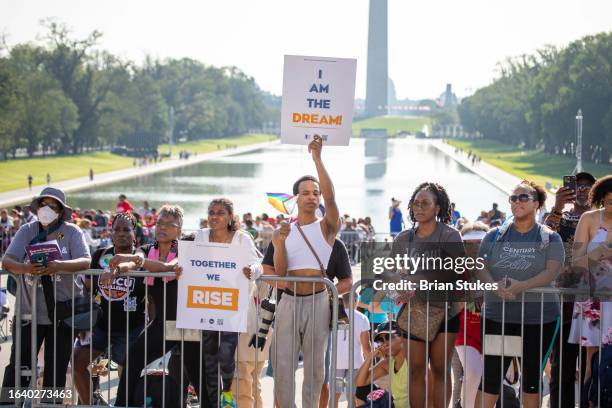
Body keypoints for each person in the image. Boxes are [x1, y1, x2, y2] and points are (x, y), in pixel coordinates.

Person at [475, 180, 564, 408]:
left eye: (523, 197)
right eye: (513, 198)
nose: (516, 202)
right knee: (492, 378)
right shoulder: (494, 236)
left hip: (538, 319)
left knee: (531, 380)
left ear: (536, 203)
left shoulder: (549, 238)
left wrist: (520, 286)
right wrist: (495, 286)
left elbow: (551, 272)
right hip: (499, 317)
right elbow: (479, 266)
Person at [0, 187, 91, 404]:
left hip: (62, 313)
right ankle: (9, 403)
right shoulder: (27, 230)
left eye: (53, 205)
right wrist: (26, 268)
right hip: (29, 311)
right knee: (19, 365)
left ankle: (51, 404)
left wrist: (59, 265)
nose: (47, 209)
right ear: (37, 207)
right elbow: (8, 260)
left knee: (56, 368)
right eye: (44, 204)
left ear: (61, 210)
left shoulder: (71, 232)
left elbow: (85, 261)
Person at [269, 135, 341, 408]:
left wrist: (318, 159)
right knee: (283, 367)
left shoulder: (327, 226)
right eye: (306, 192)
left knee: (314, 369)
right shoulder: (285, 230)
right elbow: (280, 272)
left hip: (318, 300)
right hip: (288, 301)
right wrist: (277, 243)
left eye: (316, 192)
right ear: (296, 198)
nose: (312, 196)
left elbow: (332, 197)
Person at [390, 181, 465, 408]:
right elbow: (392, 273)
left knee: (440, 370)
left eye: (425, 203)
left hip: (445, 312)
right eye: (415, 203)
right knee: (415, 371)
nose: (419, 207)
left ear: (438, 208)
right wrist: (399, 284)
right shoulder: (403, 239)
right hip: (414, 312)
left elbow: (457, 273)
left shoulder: (451, 236)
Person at [194, 198, 263, 407]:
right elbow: (192, 261)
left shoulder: (242, 239)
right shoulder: (201, 235)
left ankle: (226, 392)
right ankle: (214, 401)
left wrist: (252, 271)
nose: (215, 216)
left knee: (225, 353)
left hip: (232, 305)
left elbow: (256, 263)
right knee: (209, 354)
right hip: (207, 302)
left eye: (220, 213)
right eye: (212, 212)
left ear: (230, 217)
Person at [113, 205, 184, 406]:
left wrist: (132, 260)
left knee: (193, 372)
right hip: (162, 324)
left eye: (170, 224)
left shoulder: (184, 249)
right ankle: (123, 404)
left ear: (179, 230)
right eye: (160, 223)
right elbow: (135, 263)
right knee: (134, 358)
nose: (162, 227)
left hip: (187, 324)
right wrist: (118, 268)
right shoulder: (146, 250)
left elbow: (168, 268)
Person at [73, 213, 146, 404]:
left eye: (126, 229)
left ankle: (125, 403)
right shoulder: (99, 254)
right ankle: (91, 403)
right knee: (78, 361)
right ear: (111, 233)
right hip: (101, 326)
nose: (121, 233)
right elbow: (87, 290)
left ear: (134, 234)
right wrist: (83, 322)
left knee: (128, 371)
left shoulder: (141, 256)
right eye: (117, 229)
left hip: (131, 328)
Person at [545, 171, 595, 408]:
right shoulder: (560, 218)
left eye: (588, 186)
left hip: (595, 305)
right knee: (562, 369)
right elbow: (542, 240)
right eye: (578, 186)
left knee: (592, 368)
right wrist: (557, 206)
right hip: (565, 305)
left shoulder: (603, 219)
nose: (583, 190)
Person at [568, 175, 612, 397]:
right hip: (593, 296)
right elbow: (576, 262)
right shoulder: (589, 218)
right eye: (610, 200)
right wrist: (599, 253)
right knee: (592, 360)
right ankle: (588, 401)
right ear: (602, 198)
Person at [453, 222, 489, 408]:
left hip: (492, 329)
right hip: (465, 331)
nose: (474, 248)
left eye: (479, 243)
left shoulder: (496, 266)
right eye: (469, 243)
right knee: (474, 372)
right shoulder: (456, 269)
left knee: (492, 381)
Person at [354, 321, 408, 407]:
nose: (385, 343)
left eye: (389, 337)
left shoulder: (414, 362)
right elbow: (359, 382)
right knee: (362, 389)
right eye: (381, 340)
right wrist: (370, 358)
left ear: (402, 336)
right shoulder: (388, 363)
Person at [333, 292, 371, 407]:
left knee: (335, 394)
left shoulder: (334, 316)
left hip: (337, 361)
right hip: (355, 362)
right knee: (353, 395)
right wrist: (369, 364)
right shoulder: (362, 318)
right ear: (356, 301)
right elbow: (365, 346)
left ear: (343, 302)